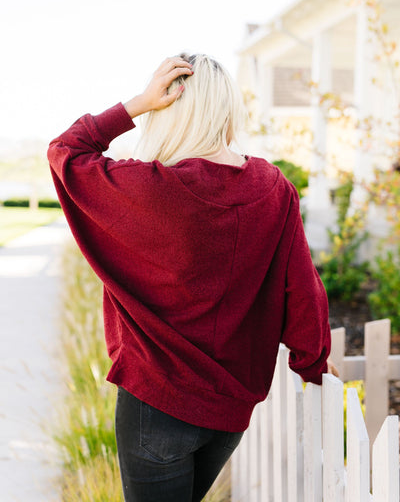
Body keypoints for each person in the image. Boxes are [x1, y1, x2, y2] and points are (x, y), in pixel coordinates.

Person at [48, 53, 335, 502]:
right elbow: (301, 287)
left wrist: (137, 105)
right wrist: (313, 362)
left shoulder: (150, 188)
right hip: (229, 413)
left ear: (171, 111)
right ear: (227, 108)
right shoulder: (273, 187)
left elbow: (66, 152)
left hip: (156, 404)